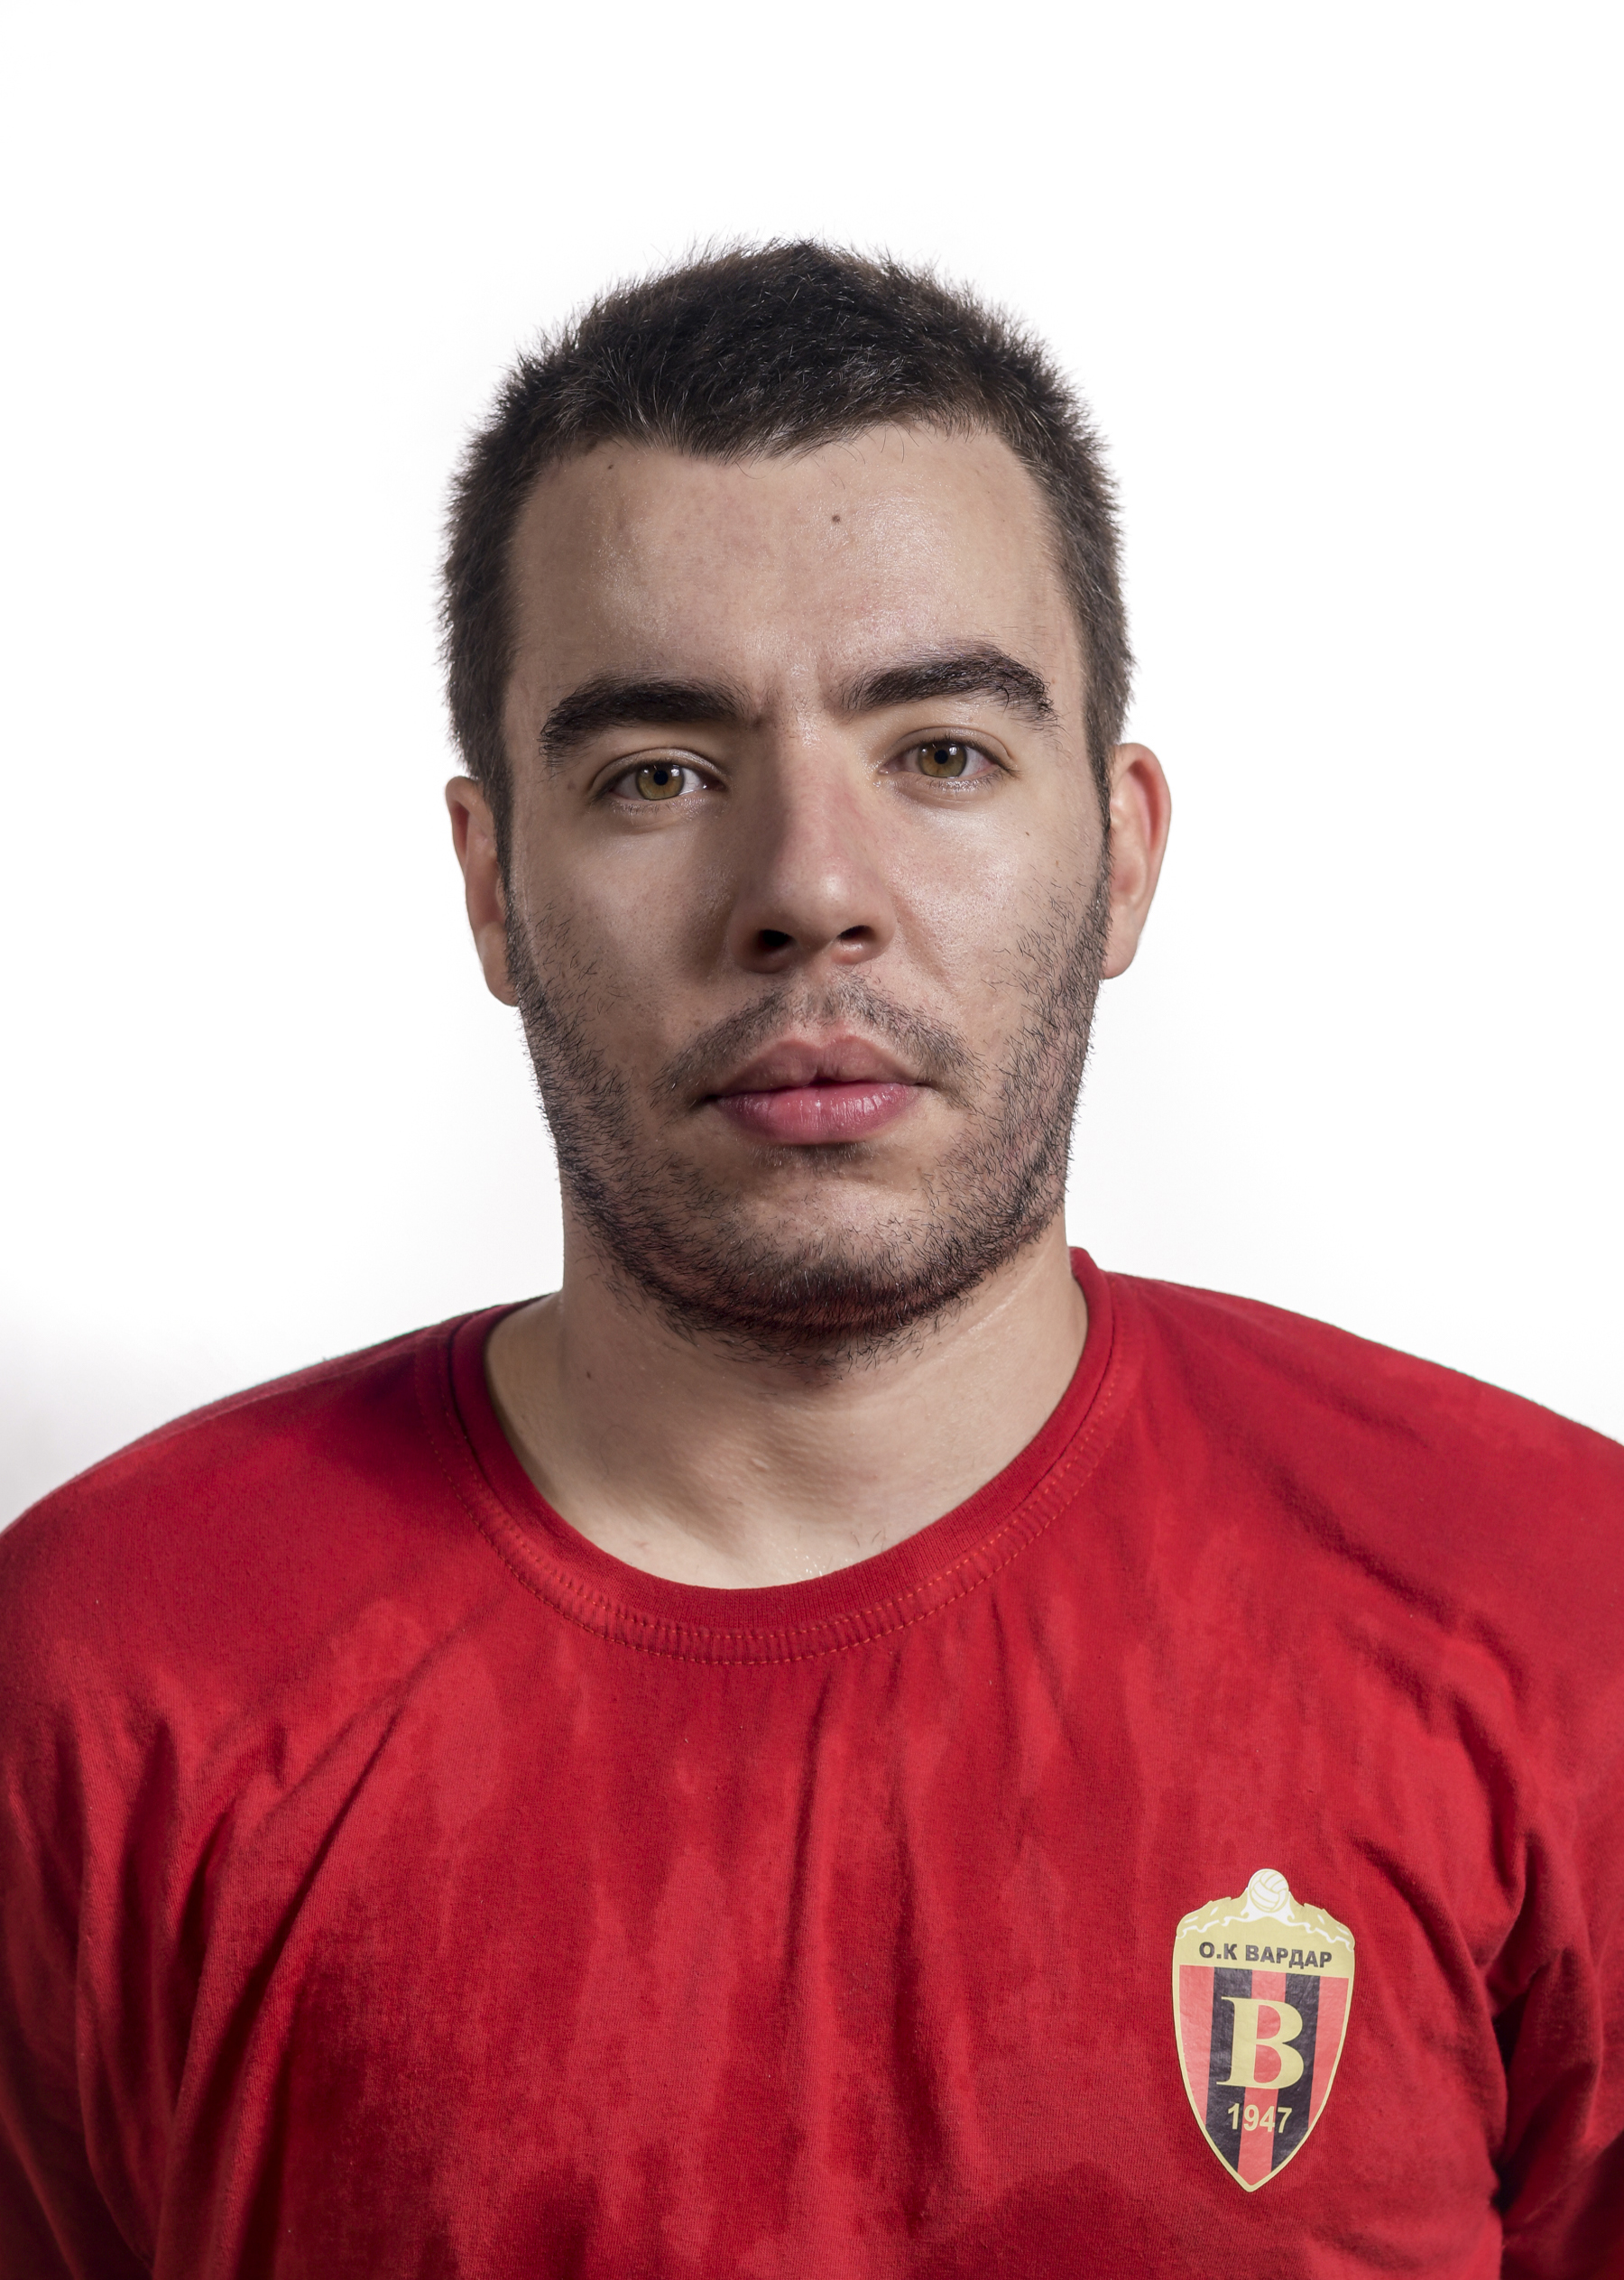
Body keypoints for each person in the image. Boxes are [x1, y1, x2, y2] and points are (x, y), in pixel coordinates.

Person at [1, 244, 1619, 2279]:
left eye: (939, 750)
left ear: (1123, 849)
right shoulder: (103, 1682)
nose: (808, 889)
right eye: (659, 776)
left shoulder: (1560, 1620)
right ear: (492, 884)